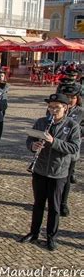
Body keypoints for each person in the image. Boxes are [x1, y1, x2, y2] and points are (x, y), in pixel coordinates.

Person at [20, 93, 80, 251]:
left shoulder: (72, 126)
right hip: (39, 169)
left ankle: (51, 237)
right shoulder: (41, 122)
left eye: (56, 107)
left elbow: (74, 149)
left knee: (54, 207)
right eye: (50, 107)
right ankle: (34, 233)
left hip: (58, 172)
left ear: (65, 108)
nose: (53, 110)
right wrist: (32, 147)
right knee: (38, 204)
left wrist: (54, 142)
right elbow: (29, 140)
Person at [59, 84, 83, 216]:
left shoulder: (81, 112)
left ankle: (63, 203)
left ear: (77, 98)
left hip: (70, 150)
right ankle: (54, 200)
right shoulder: (57, 108)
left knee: (67, 178)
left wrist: (74, 129)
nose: (69, 100)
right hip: (56, 148)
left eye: (72, 97)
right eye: (67, 97)